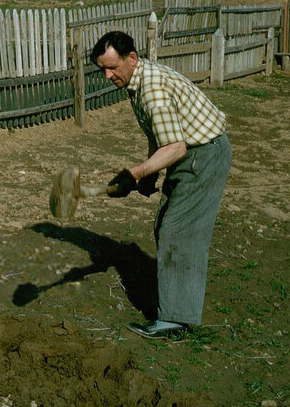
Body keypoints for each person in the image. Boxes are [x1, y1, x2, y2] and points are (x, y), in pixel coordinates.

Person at [90, 30, 231, 340]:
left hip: (202, 154)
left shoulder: (151, 88)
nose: (107, 75)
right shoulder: (137, 81)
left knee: (178, 230)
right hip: (189, 154)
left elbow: (177, 147)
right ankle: (176, 299)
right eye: (103, 69)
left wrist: (136, 173)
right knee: (165, 225)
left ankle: (175, 321)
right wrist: (149, 174)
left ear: (132, 59)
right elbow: (159, 134)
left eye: (112, 68)